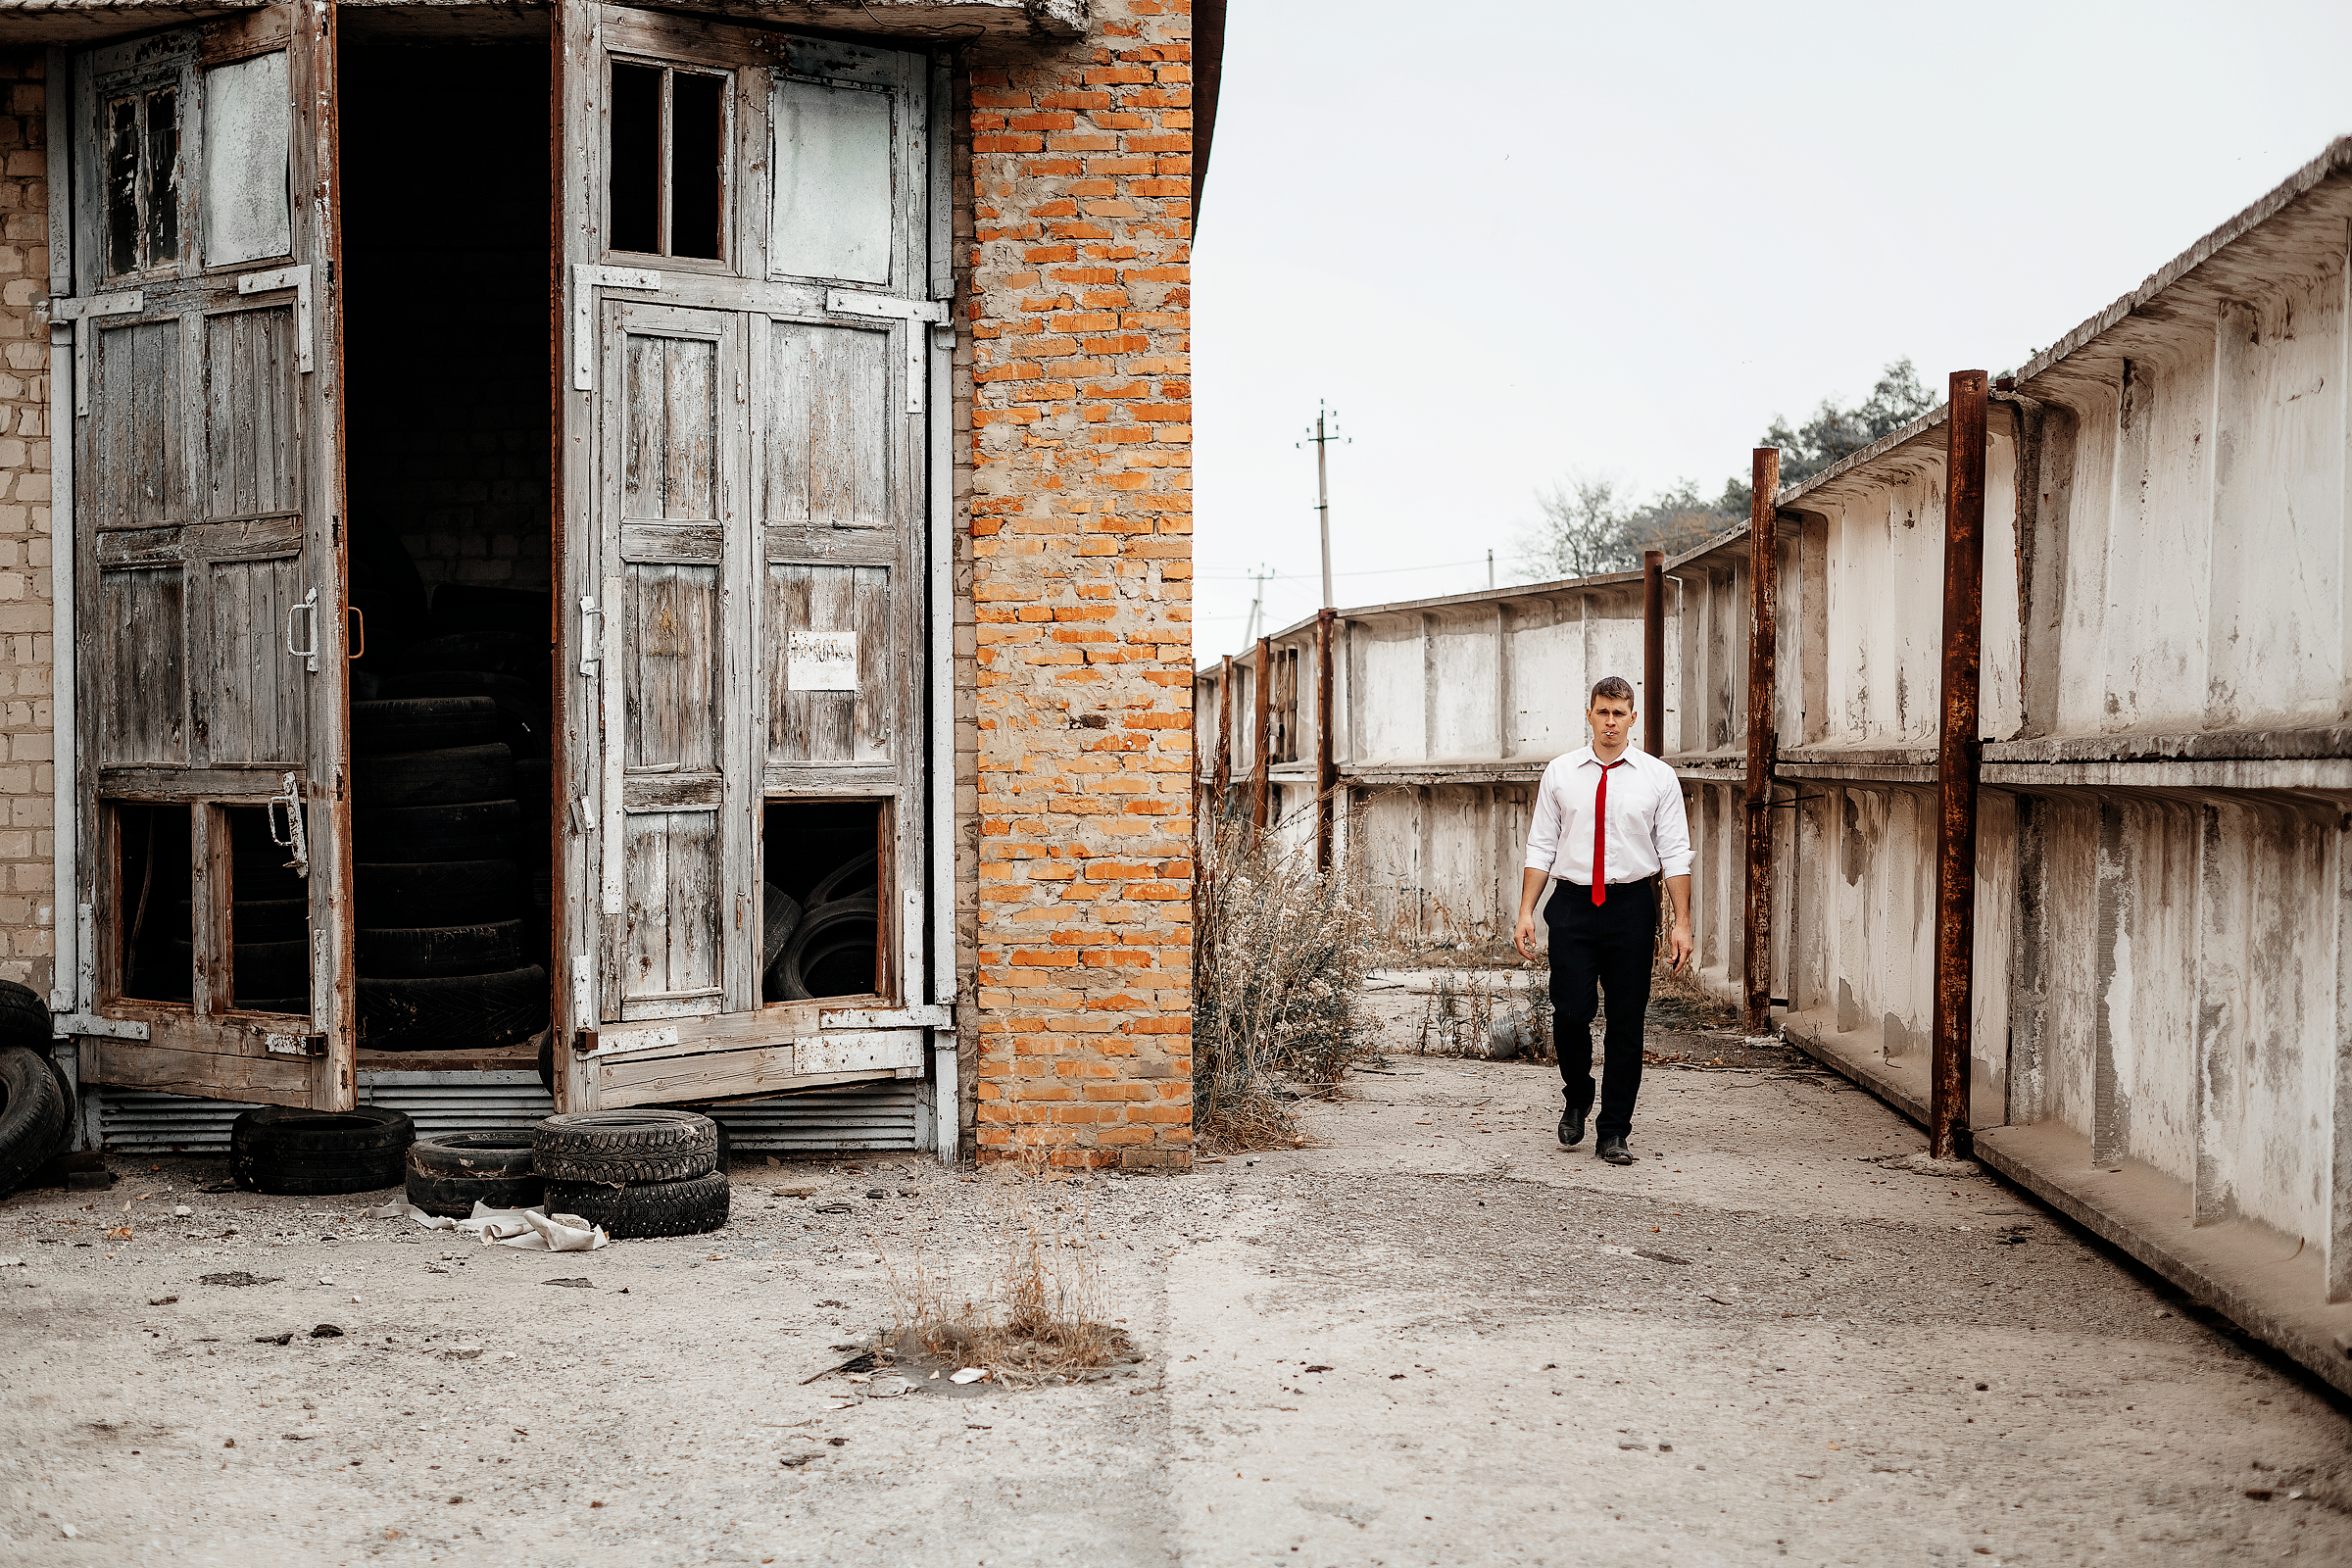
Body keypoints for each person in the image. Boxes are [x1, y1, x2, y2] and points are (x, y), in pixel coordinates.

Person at [1512, 675, 1692, 1165]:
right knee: (1570, 1013)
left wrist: (1681, 922)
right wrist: (1527, 910)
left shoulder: (1658, 778)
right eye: (1602, 713)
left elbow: (1675, 852)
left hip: (1631, 908)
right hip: (1571, 905)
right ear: (1588, 714)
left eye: (1620, 714)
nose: (1610, 722)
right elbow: (1541, 846)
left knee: (1626, 1022)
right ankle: (1577, 1091)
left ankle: (1614, 1129)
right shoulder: (1561, 773)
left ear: (1633, 718)